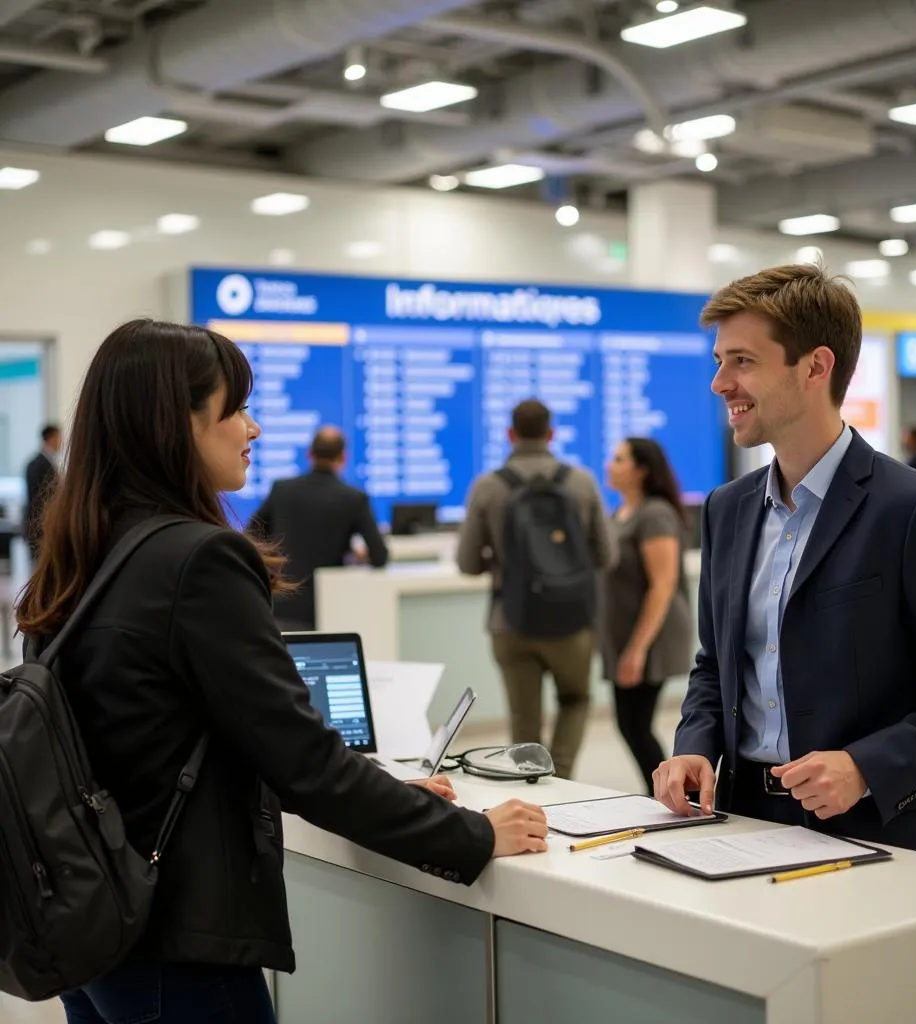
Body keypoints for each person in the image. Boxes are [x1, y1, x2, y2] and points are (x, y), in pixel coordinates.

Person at [16, 319, 548, 1024]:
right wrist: (472, 835)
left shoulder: (83, 549)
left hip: (93, 923)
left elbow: (172, 738)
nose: (254, 427)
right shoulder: (197, 560)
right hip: (177, 937)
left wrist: (392, 793)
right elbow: (304, 763)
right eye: (233, 408)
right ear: (176, 424)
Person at [654, 264, 916, 858]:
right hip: (743, 824)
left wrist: (866, 766)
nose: (720, 383)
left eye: (742, 361)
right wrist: (695, 743)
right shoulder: (728, 509)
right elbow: (714, 666)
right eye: (719, 361)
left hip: (878, 832)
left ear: (816, 367)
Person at [456, 399, 615, 780]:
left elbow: (467, 564)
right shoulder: (581, 481)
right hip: (572, 620)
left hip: (509, 620)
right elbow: (607, 554)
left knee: (523, 715)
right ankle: (561, 778)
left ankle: (529, 784)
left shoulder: (488, 486)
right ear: (551, 433)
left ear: (510, 434)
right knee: (575, 699)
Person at [600, 438, 691, 796]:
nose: (610, 465)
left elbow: (663, 585)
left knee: (634, 724)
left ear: (641, 470)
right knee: (631, 723)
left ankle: (671, 794)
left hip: (652, 636)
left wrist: (637, 649)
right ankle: (666, 792)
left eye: (619, 459)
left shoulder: (655, 514)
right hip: (624, 635)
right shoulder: (620, 513)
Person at [248, 425, 388, 630]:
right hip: (331, 609)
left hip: (281, 606)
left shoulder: (282, 490)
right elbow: (380, 556)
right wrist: (357, 555)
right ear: (343, 458)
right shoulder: (353, 498)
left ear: (310, 454)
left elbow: (252, 535)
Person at [24, 422, 62, 559]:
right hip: (41, 527)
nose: (61, 442)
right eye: (59, 437)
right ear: (51, 438)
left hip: (43, 525)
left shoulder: (41, 462)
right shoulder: (39, 464)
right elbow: (38, 499)